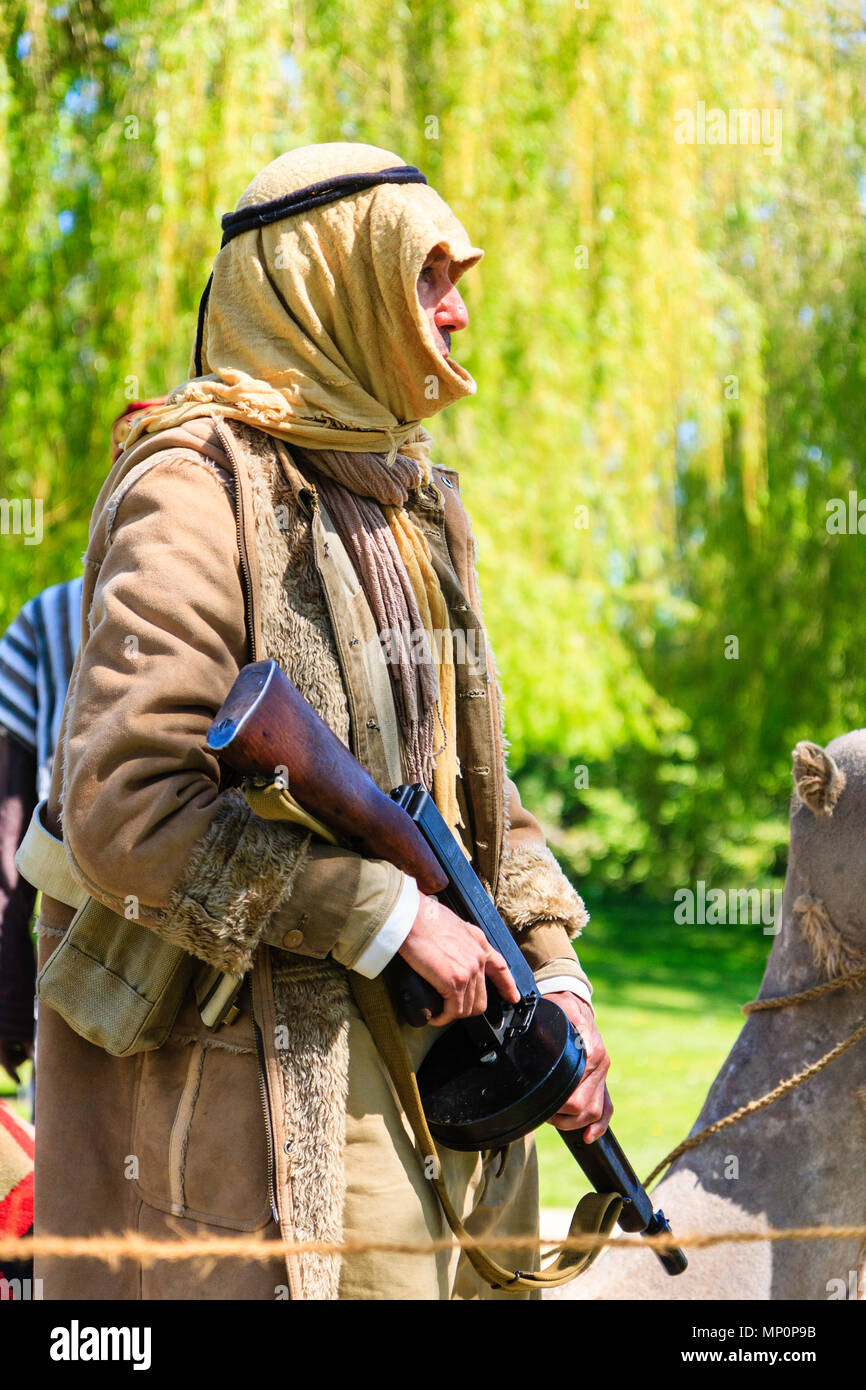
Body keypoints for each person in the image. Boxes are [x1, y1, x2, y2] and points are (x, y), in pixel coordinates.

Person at [31, 143, 611, 1301]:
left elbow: (473, 798)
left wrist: (556, 978)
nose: (458, 314)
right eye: (427, 277)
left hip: (431, 1048)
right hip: (240, 1080)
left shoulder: (418, 501)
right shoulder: (190, 484)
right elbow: (124, 805)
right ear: (328, 282)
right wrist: (381, 911)